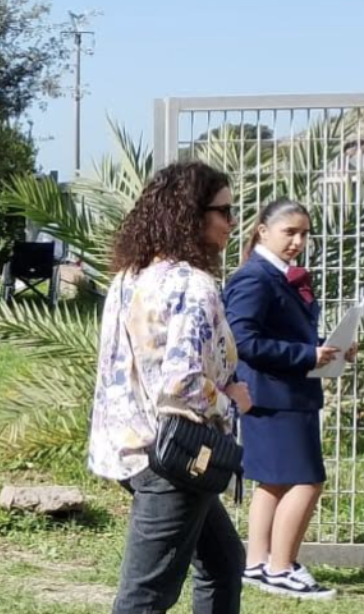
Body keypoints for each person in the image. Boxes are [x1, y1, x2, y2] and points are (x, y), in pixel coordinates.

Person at [90, 163, 251, 613]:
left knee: (223, 560)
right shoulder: (193, 286)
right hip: (173, 459)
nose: (231, 223)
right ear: (191, 215)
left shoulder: (130, 277)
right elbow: (183, 385)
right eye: (224, 211)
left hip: (130, 449)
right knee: (143, 598)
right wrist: (231, 399)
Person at [228, 199, 350, 601]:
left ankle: (257, 562)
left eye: (304, 234)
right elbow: (243, 341)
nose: (298, 241)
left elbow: (277, 335)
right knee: (307, 482)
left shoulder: (274, 274)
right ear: (263, 231)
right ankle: (281, 568)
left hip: (281, 392)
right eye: (290, 232)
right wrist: (306, 355)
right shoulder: (256, 277)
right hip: (274, 395)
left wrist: (326, 350)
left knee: (275, 482)